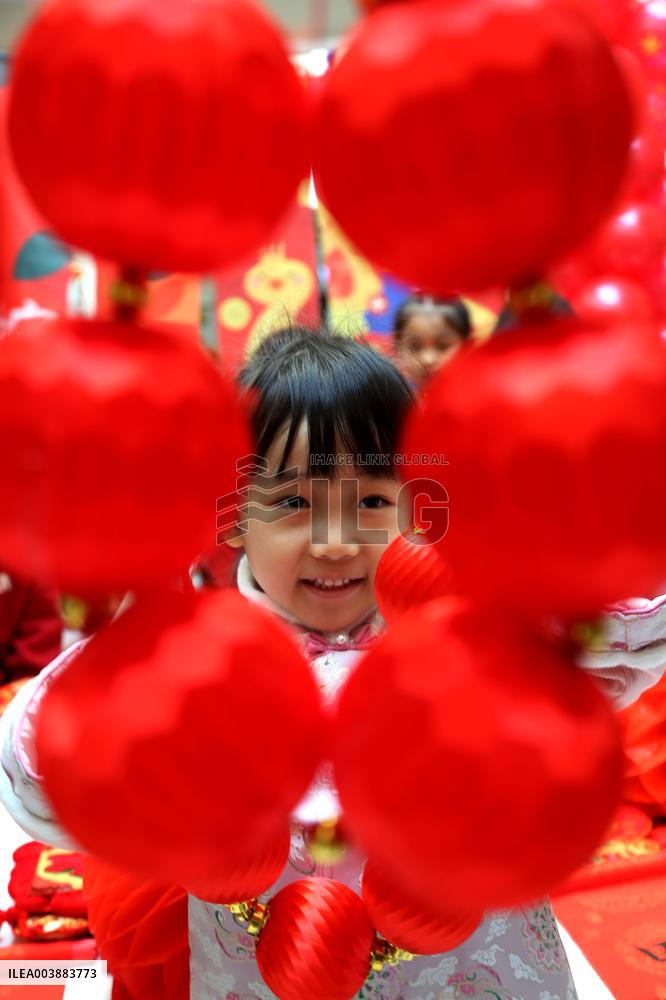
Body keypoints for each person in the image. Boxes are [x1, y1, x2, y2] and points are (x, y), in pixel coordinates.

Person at [1, 329, 665, 1000]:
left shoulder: (474, 639)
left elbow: (631, 633)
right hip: (256, 971)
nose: (337, 542)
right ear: (231, 517)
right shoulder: (202, 666)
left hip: (479, 967)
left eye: (372, 501)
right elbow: (43, 780)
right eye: (294, 503)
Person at [393, 295, 472, 391]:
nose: (428, 359)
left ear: (468, 346)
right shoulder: (395, 405)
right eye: (415, 347)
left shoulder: (488, 402)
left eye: (442, 346)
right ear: (398, 350)